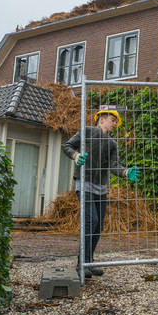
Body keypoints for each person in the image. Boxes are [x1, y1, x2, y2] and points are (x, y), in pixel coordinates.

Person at [63, 107, 138, 278]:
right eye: (113, 120)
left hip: (101, 187)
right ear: (101, 119)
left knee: (98, 227)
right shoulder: (87, 131)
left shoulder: (112, 143)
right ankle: (81, 264)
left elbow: (114, 165)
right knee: (91, 222)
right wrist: (75, 155)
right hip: (85, 183)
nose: (115, 124)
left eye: (116, 122)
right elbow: (67, 146)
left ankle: (88, 262)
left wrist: (126, 172)